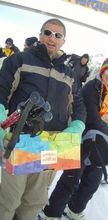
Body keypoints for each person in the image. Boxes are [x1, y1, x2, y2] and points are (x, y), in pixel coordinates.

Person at [0, 18, 86, 220]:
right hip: (20, 143)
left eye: (58, 35)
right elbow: (1, 90)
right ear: (40, 35)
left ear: (63, 41)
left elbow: (79, 104)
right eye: (47, 32)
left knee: (34, 202)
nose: (51, 38)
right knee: (9, 201)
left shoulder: (69, 74)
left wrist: (77, 125)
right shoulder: (19, 60)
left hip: (53, 147)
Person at [42, 55, 108, 220]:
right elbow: (91, 116)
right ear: (102, 71)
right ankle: (51, 212)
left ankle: (74, 210)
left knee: (92, 182)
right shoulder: (91, 88)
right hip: (84, 143)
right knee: (71, 180)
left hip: (103, 145)